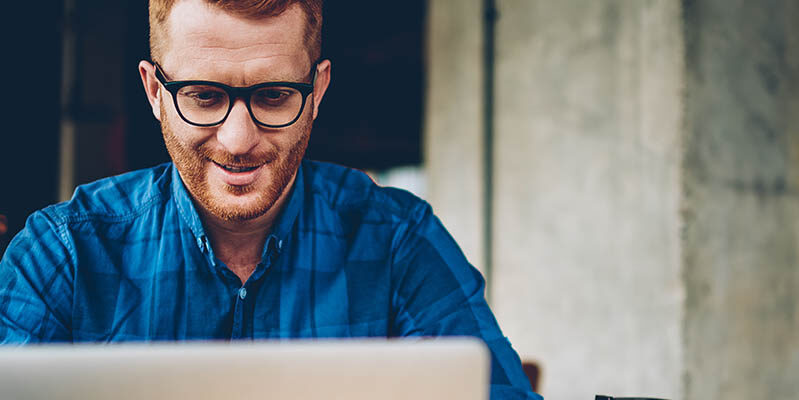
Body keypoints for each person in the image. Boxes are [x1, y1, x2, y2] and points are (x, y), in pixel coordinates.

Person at [0, 1, 540, 398]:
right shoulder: (62, 253)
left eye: (274, 95)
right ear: (155, 93)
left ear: (318, 91)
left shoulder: (399, 240)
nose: (238, 140)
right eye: (205, 97)